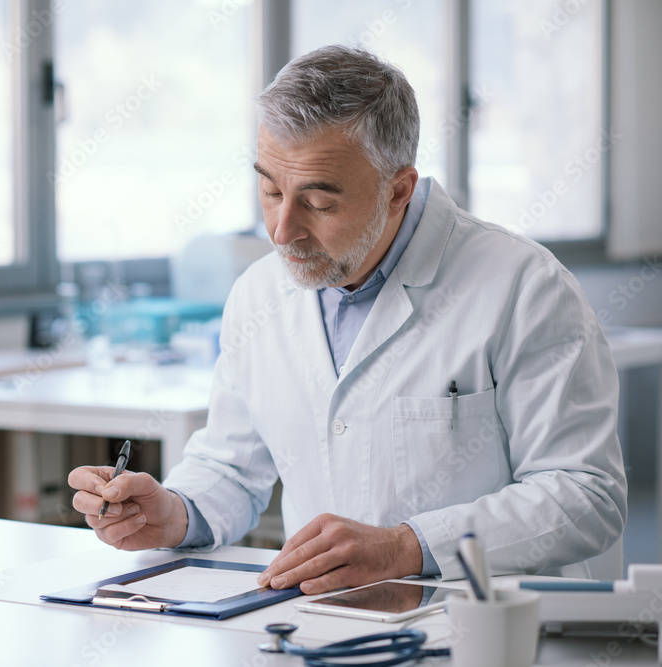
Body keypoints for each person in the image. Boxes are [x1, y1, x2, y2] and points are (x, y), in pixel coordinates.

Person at [69, 45, 627, 595]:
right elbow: (233, 468)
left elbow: (587, 495)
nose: (282, 230)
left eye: (319, 203)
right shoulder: (258, 294)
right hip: (319, 627)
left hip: (487, 631)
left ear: (398, 191)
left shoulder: (523, 285)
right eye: (270, 189)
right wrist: (173, 512)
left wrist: (407, 547)